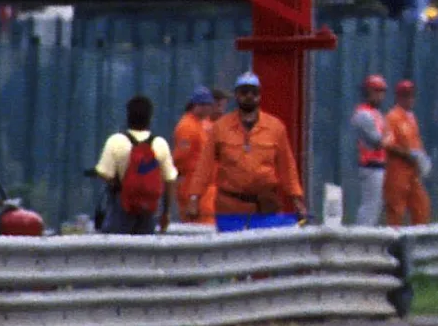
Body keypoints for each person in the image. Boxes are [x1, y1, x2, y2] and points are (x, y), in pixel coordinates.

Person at [204, 73, 303, 230]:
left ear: (260, 95)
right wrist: (194, 198)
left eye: (254, 92)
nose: (249, 96)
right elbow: (204, 166)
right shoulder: (220, 128)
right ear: (236, 95)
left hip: (265, 206)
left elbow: (287, 167)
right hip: (230, 208)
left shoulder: (275, 127)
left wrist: (297, 199)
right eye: (244, 92)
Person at [93, 94, 176, 235]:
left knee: (116, 249)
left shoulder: (116, 141)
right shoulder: (160, 144)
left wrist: (121, 185)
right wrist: (166, 212)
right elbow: (170, 180)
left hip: (121, 208)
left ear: (128, 116)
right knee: (145, 250)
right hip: (149, 209)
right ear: (150, 117)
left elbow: (103, 172)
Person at [168, 84, 221, 226]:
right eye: (208, 105)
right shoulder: (187, 127)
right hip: (193, 188)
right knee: (200, 225)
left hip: (206, 187)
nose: (211, 109)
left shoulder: (203, 124)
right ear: (199, 106)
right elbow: (181, 160)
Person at [382, 78, 432, 228]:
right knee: (396, 209)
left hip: (413, 171)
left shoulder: (411, 118)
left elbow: (416, 141)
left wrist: (422, 158)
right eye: (405, 95)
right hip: (397, 171)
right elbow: (388, 144)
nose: (409, 99)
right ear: (398, 97)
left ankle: (418, 241)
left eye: (411, 95)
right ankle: (394, 245)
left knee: (421, 206)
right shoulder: (392, 117)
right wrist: (407, 154)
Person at [349, 74, 394, 227]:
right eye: (377, 91)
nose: (381, 95)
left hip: (379, 164)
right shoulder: (363, 114)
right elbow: (379, 141)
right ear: (368, 92)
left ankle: (366, 239)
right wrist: (387, 139)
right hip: (370, 165)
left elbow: (388, 136)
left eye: (382, 91)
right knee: (369, 207)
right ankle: (360, 239)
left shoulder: (377, 113)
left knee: (376, 206)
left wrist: (387, 138)